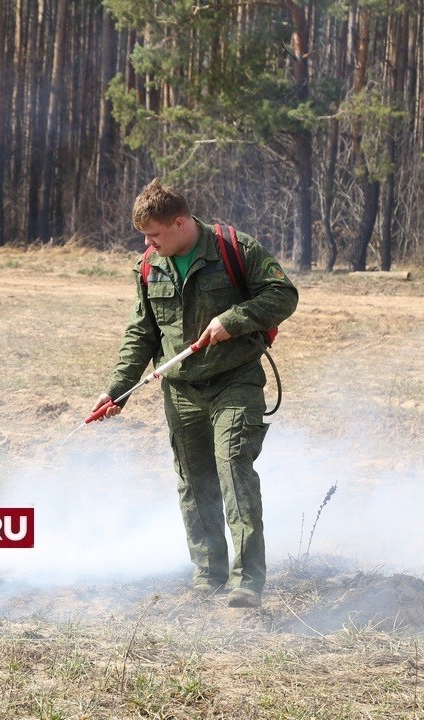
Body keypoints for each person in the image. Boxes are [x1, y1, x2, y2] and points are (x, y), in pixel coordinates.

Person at [92, 179, 298, 608]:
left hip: (235, 379)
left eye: (154, 234)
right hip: (182, 390)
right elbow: (141, 333)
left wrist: (235, 319)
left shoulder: (233, 248)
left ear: (180, 223)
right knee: (194, 481)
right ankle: (209, 573)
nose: (148, 243)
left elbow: (283, 295)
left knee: (234, 468)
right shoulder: (150, 266)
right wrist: (117, 391)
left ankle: (247, 581)